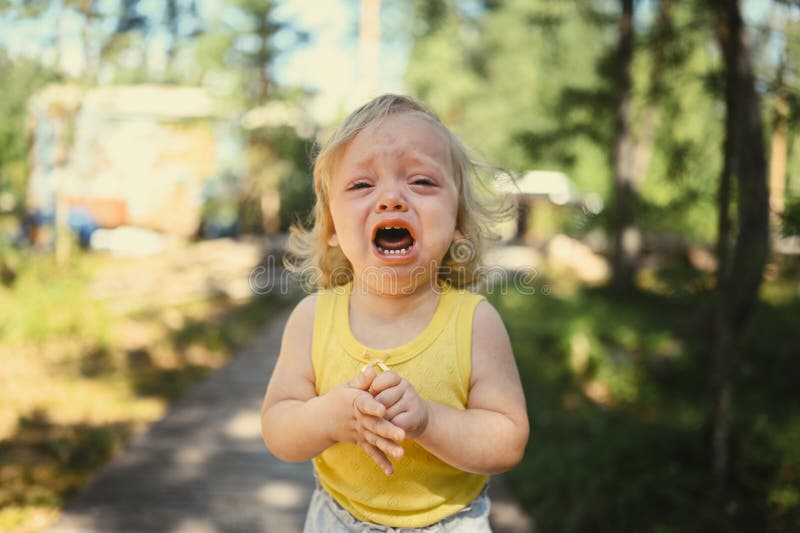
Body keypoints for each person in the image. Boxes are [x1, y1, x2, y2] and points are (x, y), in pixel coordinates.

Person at [261, 94, 529, 532]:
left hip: (450, 523)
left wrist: (428, 419)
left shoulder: (475, 323)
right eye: (362, 185)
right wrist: (327, 417)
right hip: (338, 519)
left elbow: (507, 441)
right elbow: (277, 427)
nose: (390, 199)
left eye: (421, 181)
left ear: (457, 221)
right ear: (331, 228)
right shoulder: (312, 319)